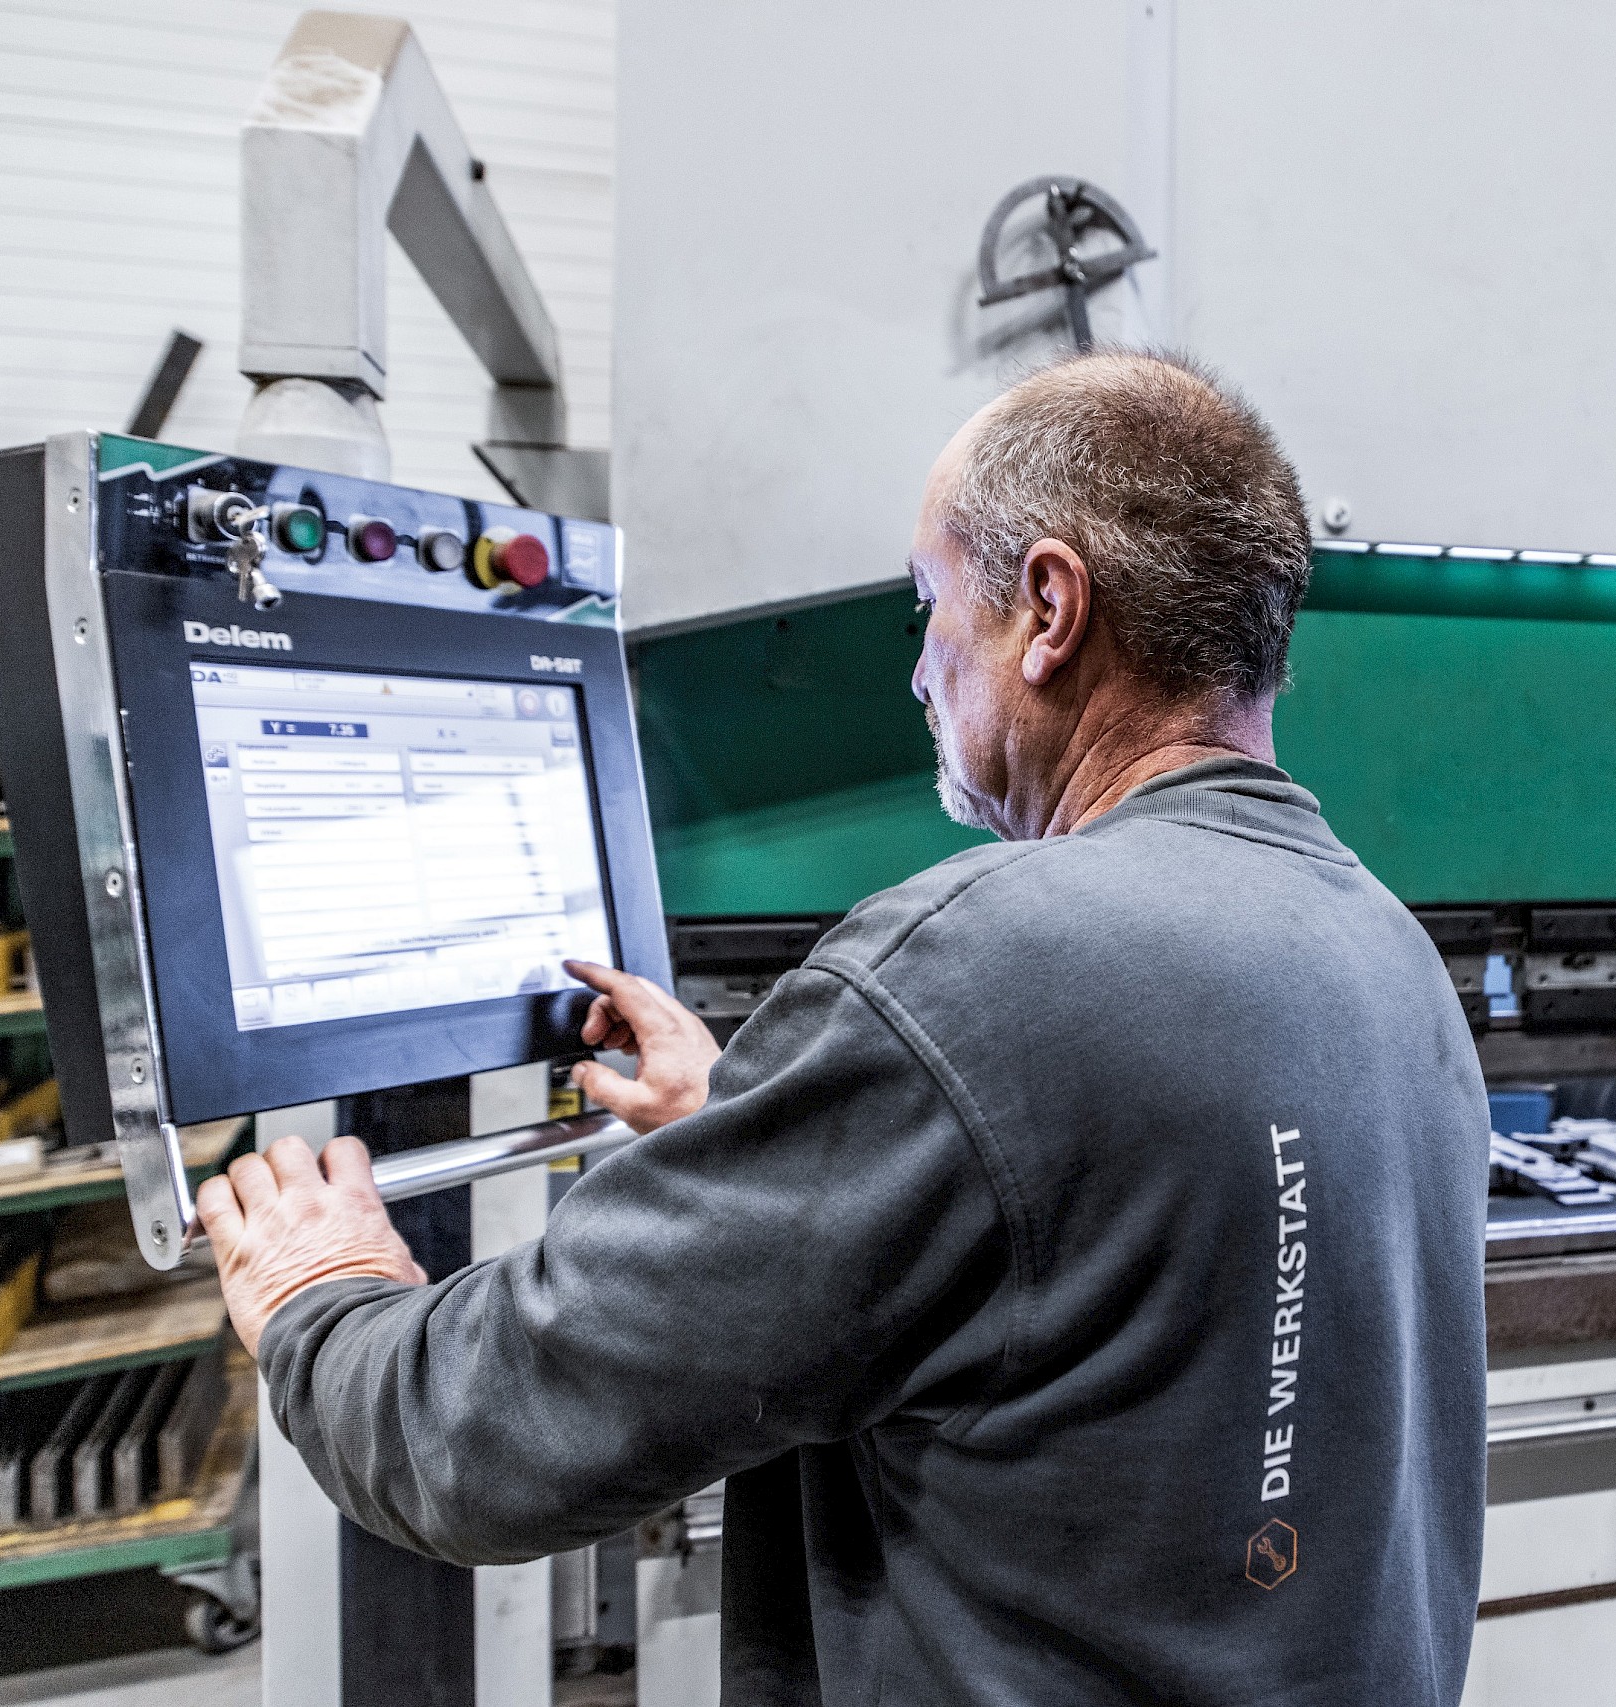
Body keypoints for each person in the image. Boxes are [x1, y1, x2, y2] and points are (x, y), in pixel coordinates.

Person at [199, 350, 1490, 1704]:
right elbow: (1076, 1219)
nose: (921, 670)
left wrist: (321, 1296)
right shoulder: (1383, 951)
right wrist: (763, 1125)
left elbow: (479, 1444)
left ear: (1049, 609)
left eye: (930, 603)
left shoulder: (979, 969)